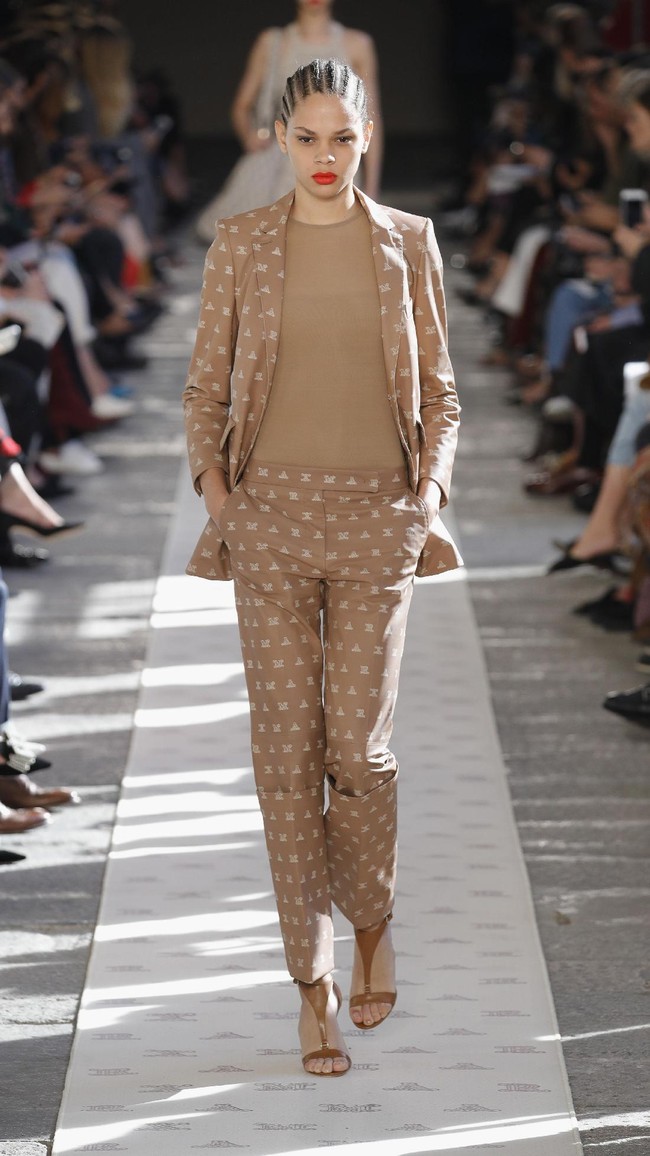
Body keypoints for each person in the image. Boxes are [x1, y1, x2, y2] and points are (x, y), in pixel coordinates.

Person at [183, 58, 461, 1077]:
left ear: (368, 133)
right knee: (284, 758)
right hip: (268, 523)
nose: (324, 158)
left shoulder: (406, 242)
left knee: (360, 751)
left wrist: (424, 497)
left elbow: (439, 386)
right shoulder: (241, 245)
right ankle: (310, 983)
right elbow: (204, 384)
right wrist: (220, 498)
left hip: (374, 521)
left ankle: (373, 919)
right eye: (305, 138)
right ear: (276, 139)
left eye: (341, 137)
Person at [195, 0, 383, 242]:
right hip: (277, 160)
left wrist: (373, 190)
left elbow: (371, 116)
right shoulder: (273, 43)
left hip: (335, 160)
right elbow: (242, 105)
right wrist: (251, 138)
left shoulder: (357, 44)